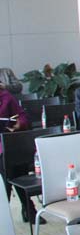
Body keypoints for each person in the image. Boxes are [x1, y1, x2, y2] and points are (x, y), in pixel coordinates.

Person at [0, 82, 42, 223]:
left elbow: (22, 116)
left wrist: (19, 124)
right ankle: (28, 208)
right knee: (10, 164)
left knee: (11, 161)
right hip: (5, 150)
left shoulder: (5, 96)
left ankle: (6, 213)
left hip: (8, 141)